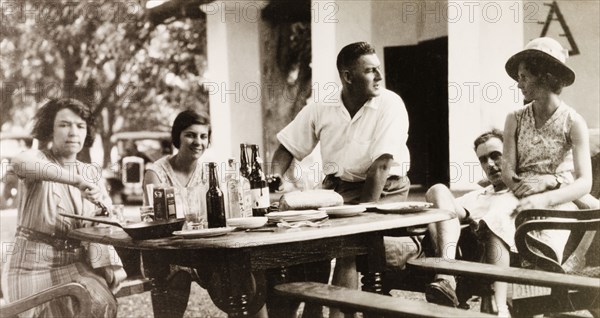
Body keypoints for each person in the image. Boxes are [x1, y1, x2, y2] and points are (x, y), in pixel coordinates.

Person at [271, 41, 460, 316]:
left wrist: (359, 220)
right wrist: (274, 180)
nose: (380, 77)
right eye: (371, 71)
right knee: (302, 238)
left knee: (348, 245)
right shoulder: (321, 107)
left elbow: (381, 168)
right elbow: (286, 148)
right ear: (348, 77)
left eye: (378, 69)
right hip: (336, 189)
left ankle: (339, 314)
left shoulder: (390, 104)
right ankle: (311, 308)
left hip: (384, 189)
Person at [484, 37, 592, 317]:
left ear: (545, 77)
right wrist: (519, 189)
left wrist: (545, 195)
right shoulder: (515, 118)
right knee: (497, 216)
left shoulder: (573, 121)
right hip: (518, 191)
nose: (518, 84)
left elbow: (584, 182)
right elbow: (508, 169)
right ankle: (499, 304)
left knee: (544, 242)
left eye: (523, 77)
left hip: (558, 196)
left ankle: (545, 303)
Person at [1, 98, 126, 317]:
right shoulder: (38, 158)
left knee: (100, 304)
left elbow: (106, 223)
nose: (73, 132)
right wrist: (75, 181)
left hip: (76, 265)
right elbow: (20, 163)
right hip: (31, 267)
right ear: (49, 129)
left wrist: (103, 211)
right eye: (64, 125)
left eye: (80, 126)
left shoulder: (91, 173)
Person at [142, 109, 214, 317]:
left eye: (203, 136)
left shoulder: (209, 172)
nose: (197, 142)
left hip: (203, 247)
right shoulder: (156, 173)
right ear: (177, 137)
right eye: (190, 135)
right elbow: (158, 223)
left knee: (239, 279)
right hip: (169, 251)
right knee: (174, 286)